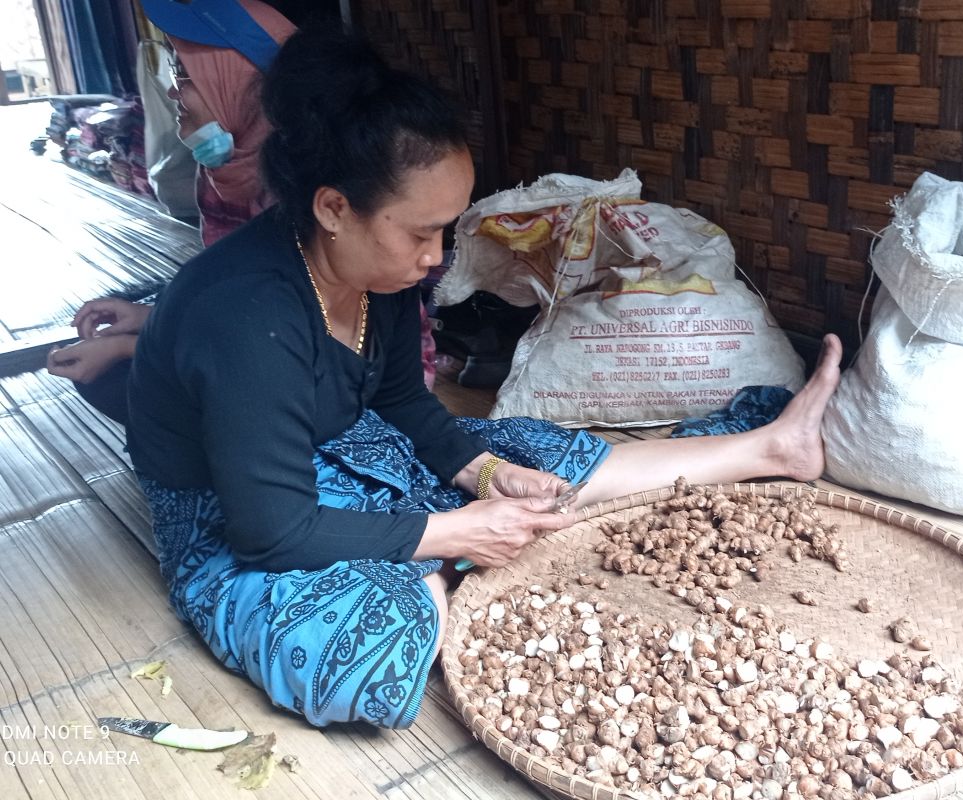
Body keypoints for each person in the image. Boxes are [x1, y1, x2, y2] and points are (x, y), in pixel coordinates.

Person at [126, 29, 844, 730]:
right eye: (420, 233)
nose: (436, 257)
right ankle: (446, 574)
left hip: (342, 448)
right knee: (357, 656)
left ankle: (771, 450)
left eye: (445, 230)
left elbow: (403, 398)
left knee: (531, 459)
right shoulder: (248, 316)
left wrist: (482, 471)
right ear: (334, 208)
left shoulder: (377, 270)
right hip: (231, 514)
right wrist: (451, 536)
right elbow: (270, 531)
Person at [44, 0, 297, 422]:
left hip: (309, 373)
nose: (172, 90)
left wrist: (133, 344)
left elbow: (279, 333)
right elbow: (228, 292)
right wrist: (148, 317)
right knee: (126, 333)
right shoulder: (226, 167)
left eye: (186, 75)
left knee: (123, 374)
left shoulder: (302, 187)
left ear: (240, 82)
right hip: (254, 341)